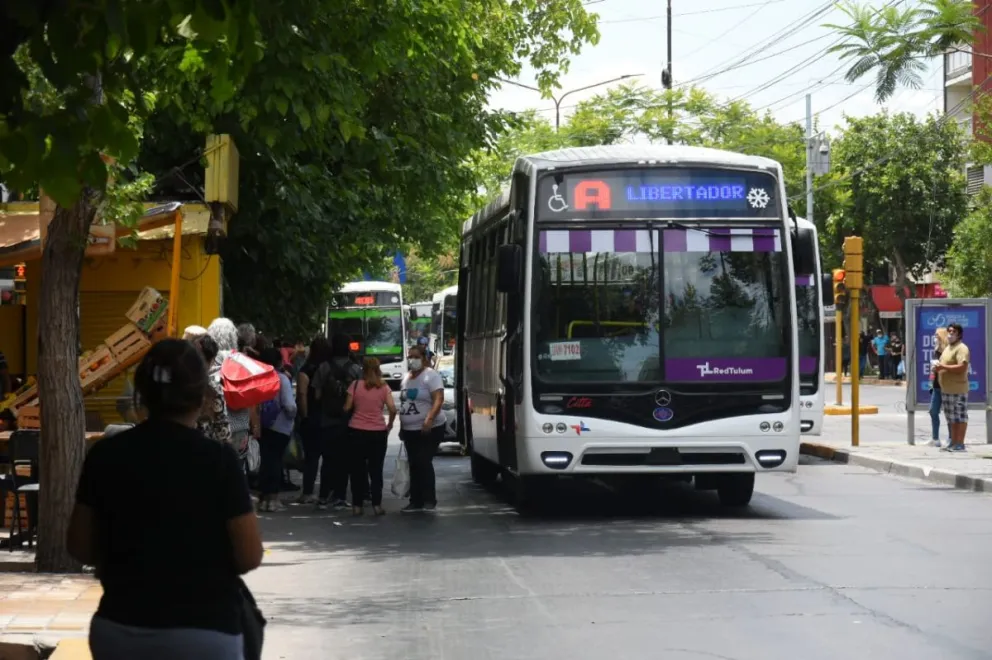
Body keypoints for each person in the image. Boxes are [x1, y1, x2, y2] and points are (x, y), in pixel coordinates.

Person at [67, 339, 263, 660]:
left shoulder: (105, 455)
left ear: (141, 393)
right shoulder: (220, 461)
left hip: (121, 629)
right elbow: (249, 555)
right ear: (201, 397)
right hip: (207, 632)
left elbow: (79, 546)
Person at [311, 334, 362, 509]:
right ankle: (340, 496)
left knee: (328, 460)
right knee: (344, 460)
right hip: (348, 421)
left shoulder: (323, 367)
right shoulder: (356, 369)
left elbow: (316, 395)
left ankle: (324, 495)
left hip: (327, 421)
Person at [344, 357, 397, 516]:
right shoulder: (384, 387)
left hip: (356, 431)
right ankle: (377, 505)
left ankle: (357, 506)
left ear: (363, 369)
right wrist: (389, 425)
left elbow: (347, 408)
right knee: (376, 470)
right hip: (378, 433)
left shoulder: (354, 386)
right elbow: (393, 409)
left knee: (357, 471)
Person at [397, 344, 446, 513]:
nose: (413, 360)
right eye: (410, 356)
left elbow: (438, 399)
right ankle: (415, 501)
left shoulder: (431, 376)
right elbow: (405, 403)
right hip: (409, 430)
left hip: (430, 427)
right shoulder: (406, 378)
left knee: (423, 461)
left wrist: (429, 419)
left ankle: (429, 500)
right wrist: (402, 427)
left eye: (416, 357)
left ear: (424, 358)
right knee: (413, 464)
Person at [256, 347, 298, 511]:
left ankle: (263, 498)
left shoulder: (257, 378)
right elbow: (289, 405)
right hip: (280, 426)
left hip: (262, 424)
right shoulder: (281, 379)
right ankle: (273, 500)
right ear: (279, 361)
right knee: (275, 462)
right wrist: (294, 414)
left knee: (265, 461)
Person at [296, 337, 330, 505]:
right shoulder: (330, 368)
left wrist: (304, 415)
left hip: (313, 418)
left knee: (311, 457)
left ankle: (308, 492)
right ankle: (326, 492)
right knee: (329, 458)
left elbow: (302, 394)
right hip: (331, 417)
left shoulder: (306, 370)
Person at [934, 322, 971, 452]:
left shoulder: (962, 348)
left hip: (958, 390)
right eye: (949, 331)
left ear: (959, 334)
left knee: (960, 417)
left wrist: (943, 367)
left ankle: (960, 444)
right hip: (947, 390)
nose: (950, 334)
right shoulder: (948, 348)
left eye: (953, 332)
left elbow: (963, 367)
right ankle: (953, 443)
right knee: (951, 418)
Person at [191, 334, 232, 446]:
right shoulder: (213, 388)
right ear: (212, 360)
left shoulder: (179, 382)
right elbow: (222, 427)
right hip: (204, 449)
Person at [928, 327, 949, 448]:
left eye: (937, 335)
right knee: (933, 411)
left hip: (946, 385)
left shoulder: (948, 351)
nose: (935, 337)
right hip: (936, 385)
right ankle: (935, 438)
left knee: (949, 413)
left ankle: (951, 438)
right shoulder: (936, 350)